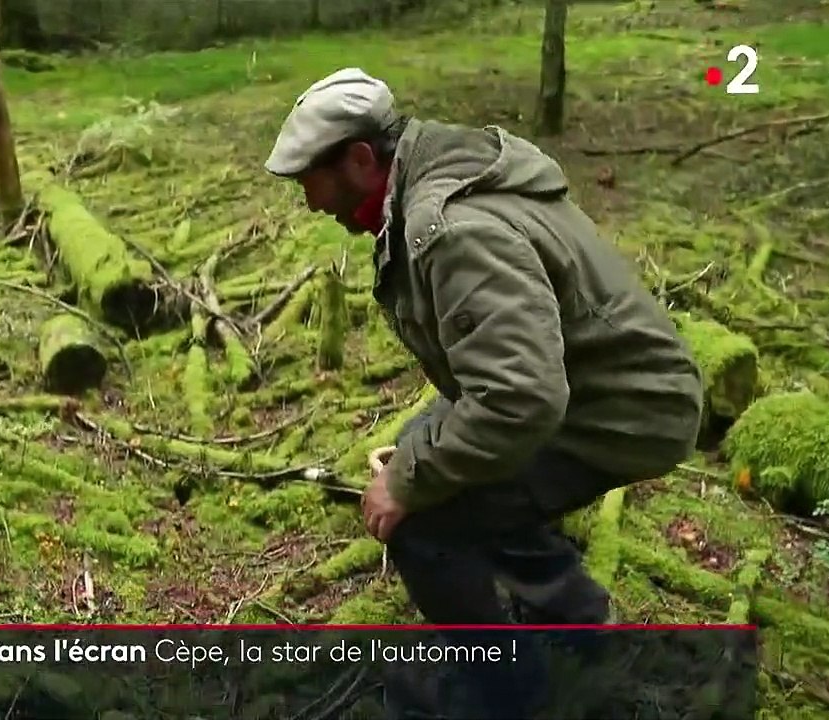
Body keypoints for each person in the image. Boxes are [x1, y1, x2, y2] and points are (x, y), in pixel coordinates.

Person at [264, 68, 705, 717]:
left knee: (420, 520)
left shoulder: (454, 229)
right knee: (428, 449)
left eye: (312, 181)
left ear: (361, 159)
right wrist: (425, 452)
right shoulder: (438, 177)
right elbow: (503, 381)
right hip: (597, 388)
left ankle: (501, 694)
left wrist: (412, 482)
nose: (309, 203)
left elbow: (517, 402)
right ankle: (572, 617)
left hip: (623, 409)